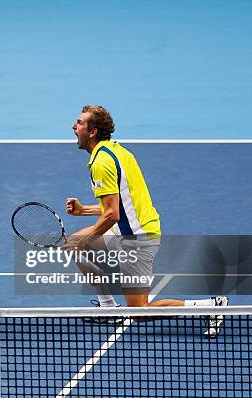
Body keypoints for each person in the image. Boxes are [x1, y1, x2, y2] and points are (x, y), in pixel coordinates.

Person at [64, 105, 227, 337]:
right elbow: (120, 204)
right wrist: (83, 212)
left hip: (137, 237)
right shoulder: (116, 151)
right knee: (77, 243)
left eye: (79, 122)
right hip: (131, 226)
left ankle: (210, 307)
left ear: (93, 132)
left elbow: (112, 215)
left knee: (139, 311)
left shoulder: (101, 163)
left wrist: (88, 236)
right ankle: (108, 307)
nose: (74, 126)